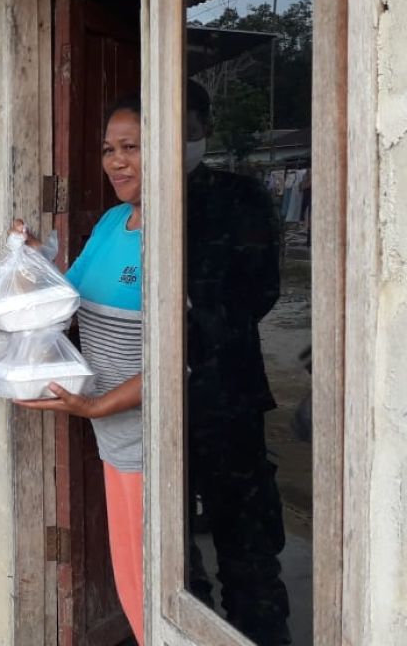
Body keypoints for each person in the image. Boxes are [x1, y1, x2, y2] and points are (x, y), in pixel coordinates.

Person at [15, 96, 146, 645]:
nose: (116, 161)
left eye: (132, 147)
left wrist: (91, 404)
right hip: (112, 436)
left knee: (154, 586)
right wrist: (31, 257)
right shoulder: (117, 220)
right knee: (133, 579)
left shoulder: (178, 232)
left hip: (151, 444)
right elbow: (67, 294)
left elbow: (181, 359)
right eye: (108, 150)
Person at [184, 81, 290, 645]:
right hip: (156, 403)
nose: (180, 138)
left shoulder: (240, 196)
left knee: (248, 549)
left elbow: (263, 290)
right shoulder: (129, 209)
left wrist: (196, 312)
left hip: (230, 396)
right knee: (173, 555)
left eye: (189, 126)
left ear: (206, 127)